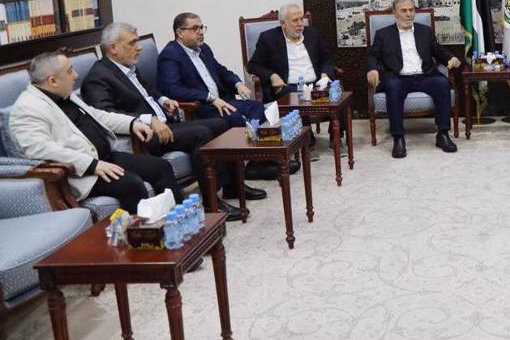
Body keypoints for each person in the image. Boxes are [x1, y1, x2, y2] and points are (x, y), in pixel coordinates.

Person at [82, 23, 264, 221]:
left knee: (220, 124)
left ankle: (232, 186)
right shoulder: (98, 77)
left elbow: (147, 91)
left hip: (165, 124)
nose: (139, 47)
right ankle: (212, 203)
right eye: (132, 43)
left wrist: (163, 100)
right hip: (144, 136)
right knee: (202, 134)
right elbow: (104, 114)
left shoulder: (127, 67)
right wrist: (147, 120)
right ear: (113, 48)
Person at [9, 51, 179, 214]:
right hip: (80, 173)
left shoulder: (64, 93)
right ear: (52, 81)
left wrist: (132, 123)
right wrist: (92, 165)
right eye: (70, 71)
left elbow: (97, 115)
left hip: (105, 157)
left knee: (160, 167)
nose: (76, 75)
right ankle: (144, 232)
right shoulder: (27, 109)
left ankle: (177, 219)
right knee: (131, 184)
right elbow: (40, 149)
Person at [157, 11, 299, 178]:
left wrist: (238, 84)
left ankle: (258, 162)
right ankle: (250, 165)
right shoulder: (170, 55)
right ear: (179, 33)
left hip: (222, 101)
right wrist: (209, 97)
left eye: (202, 27)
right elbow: (172, 89)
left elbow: (222, 71)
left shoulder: (203, 49)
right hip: (200, 107)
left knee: (256, 107)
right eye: (195, 29)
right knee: (235, 117)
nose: (201, 32)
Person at [365, 0, 461, 158]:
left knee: (442, 83)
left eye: (411, 10)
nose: (409, 14)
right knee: (393, 87)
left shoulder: (425, 31)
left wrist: (449, 58)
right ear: (395, 13)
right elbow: (372, 56)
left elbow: (437, 50)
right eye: (404, 10)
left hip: (424, 75)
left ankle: (443, 134)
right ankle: (398, 138)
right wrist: (372, 69)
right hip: (398, 77)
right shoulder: (383, 34)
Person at [248, 3, 345, 152]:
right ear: (283, 24)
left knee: (338, 92)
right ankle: (307, 142)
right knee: (297, 98)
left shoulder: (312, 34)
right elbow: (253, 65)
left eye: (301, 19)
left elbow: (327, 59)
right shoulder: (268, 38)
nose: (300, 24)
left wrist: (325, 74)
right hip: (288, 86)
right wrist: (272, 75)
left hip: (316, 83)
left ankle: (336, 136)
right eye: (295, 20)